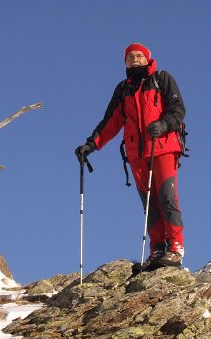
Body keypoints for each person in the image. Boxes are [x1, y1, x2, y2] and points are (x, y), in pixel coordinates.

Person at [75, 42, 186, 271]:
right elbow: (111, 122)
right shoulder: (123, 90)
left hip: (163, 147)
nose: (134, 59)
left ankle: (175, 248)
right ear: (125, 62)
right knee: (149, 204)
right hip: (137, 154)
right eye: (129, 57)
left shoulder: (162, 79)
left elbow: (178, 110)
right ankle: (158, 250)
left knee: (166, 197)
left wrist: (163, 124)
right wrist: (91, 145)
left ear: (147, 59)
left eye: (138, 55)